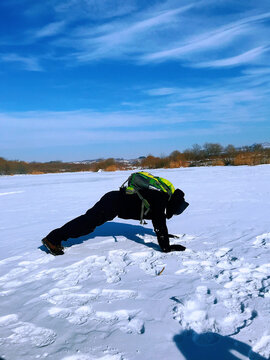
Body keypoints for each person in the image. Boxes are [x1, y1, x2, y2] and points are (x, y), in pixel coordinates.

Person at [42, 178, 189, 256]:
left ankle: (55, 238)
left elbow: (159, 222)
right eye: (176, 211)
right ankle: (53, 239)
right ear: (173, 203)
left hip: (113, 199)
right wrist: (166, 247)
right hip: (112, 203)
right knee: (87, 224)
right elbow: (159, 223)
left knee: (87, 223)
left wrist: (164, 234)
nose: (174, 213)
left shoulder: (162, 196)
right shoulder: (161, 199)